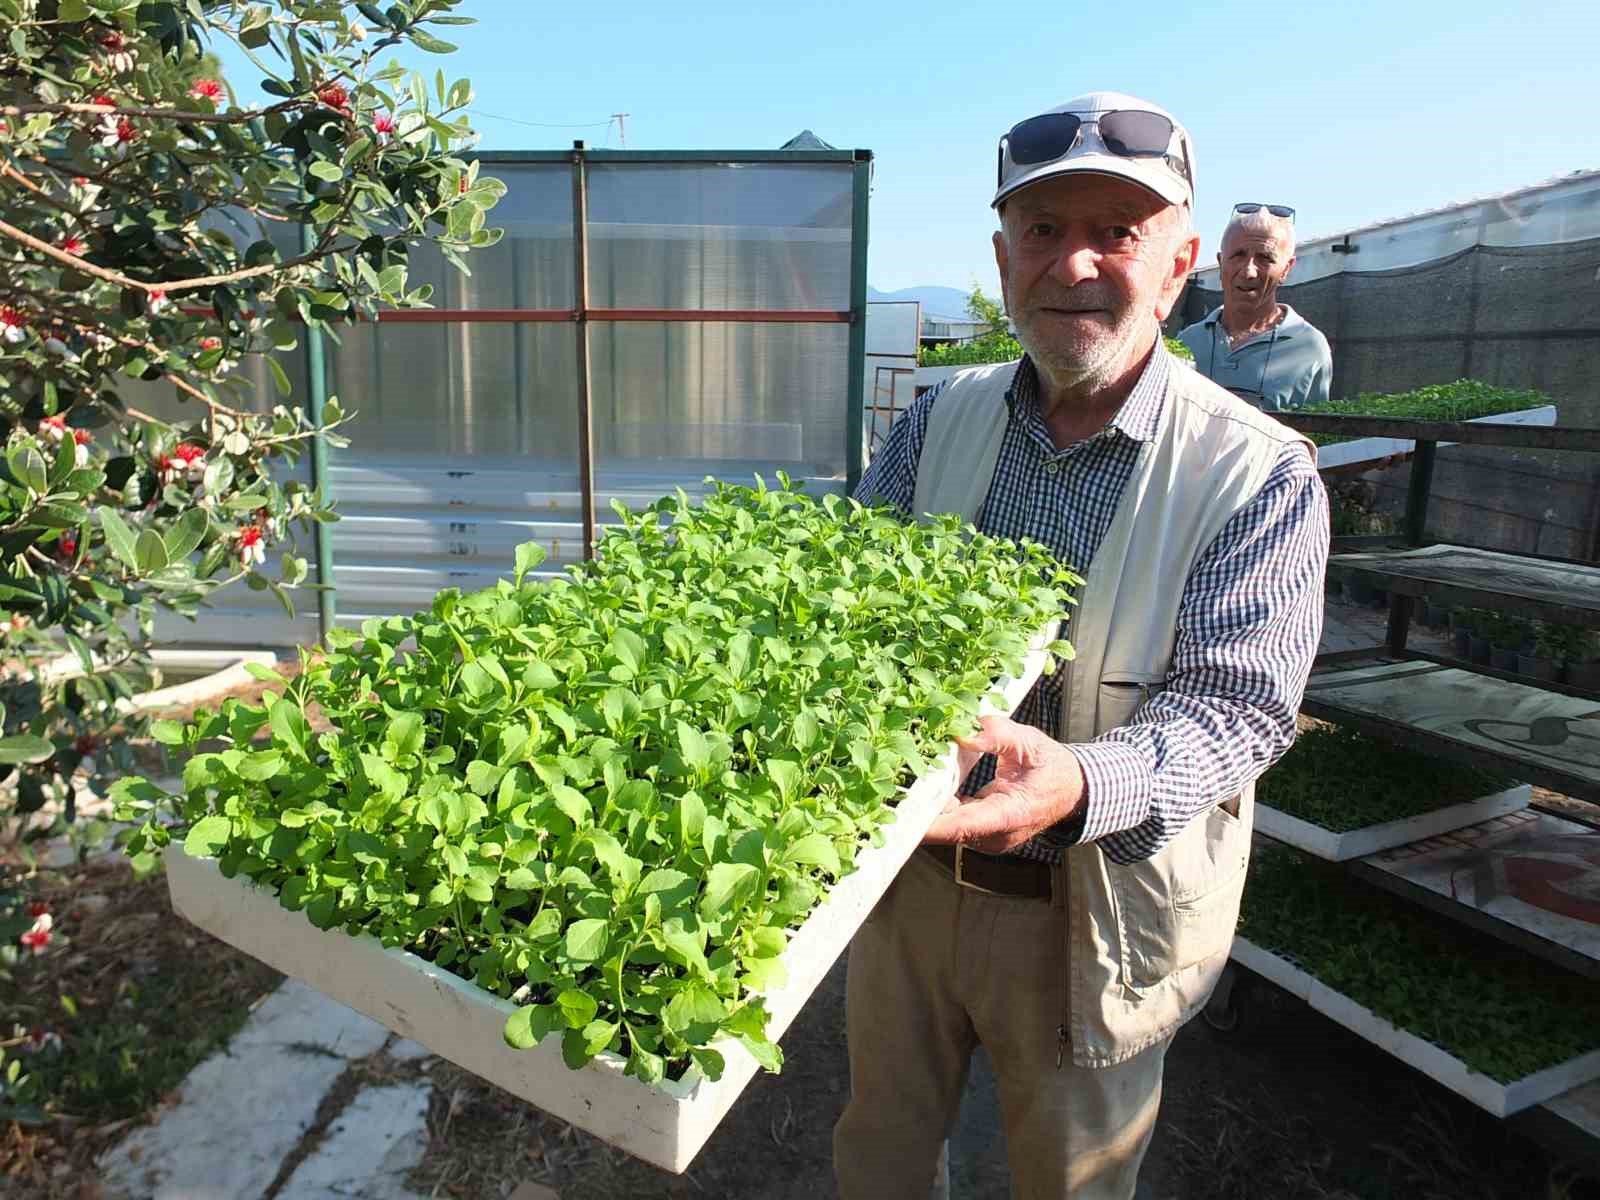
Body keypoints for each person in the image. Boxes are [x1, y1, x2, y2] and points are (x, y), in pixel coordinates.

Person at [835, 92, 1330, 1199]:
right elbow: (847, 601)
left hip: (1091, 909)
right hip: (905, 881)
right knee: (881, 1144)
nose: (1075, 265)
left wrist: (1078, 782)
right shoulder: (936, 418)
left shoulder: (1258, 469)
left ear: (1178, 264)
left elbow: (1239, 705)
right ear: (1002, 255)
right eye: (1045, 230)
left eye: (1118, 230)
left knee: (1071, 1178)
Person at [1176, 204, 1332, 411]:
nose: (1249, 271)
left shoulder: (1308, 348)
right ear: (1221, 263)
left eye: (1265, 258)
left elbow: (1313, 437)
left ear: (1286, 269)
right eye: (1238, 255)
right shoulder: (1188, 342)